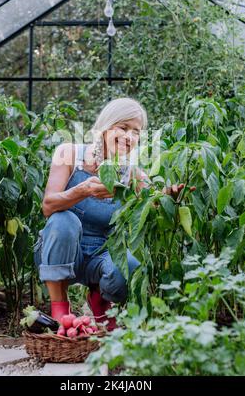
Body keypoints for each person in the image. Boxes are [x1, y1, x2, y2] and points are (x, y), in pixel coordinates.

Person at [34, 97, 150, 330]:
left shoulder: (131, 174)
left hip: (99, 255)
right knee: (63, 220)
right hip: (58, 248)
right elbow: (48, 205)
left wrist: (171, 195)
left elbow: (155, 198)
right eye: (124, 128)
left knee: (130, 267)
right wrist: (82, 190)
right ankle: (60, 307)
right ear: (106, 126)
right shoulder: (69, 154)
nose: (129, 137)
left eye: (136, 132)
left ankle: (100, 300)